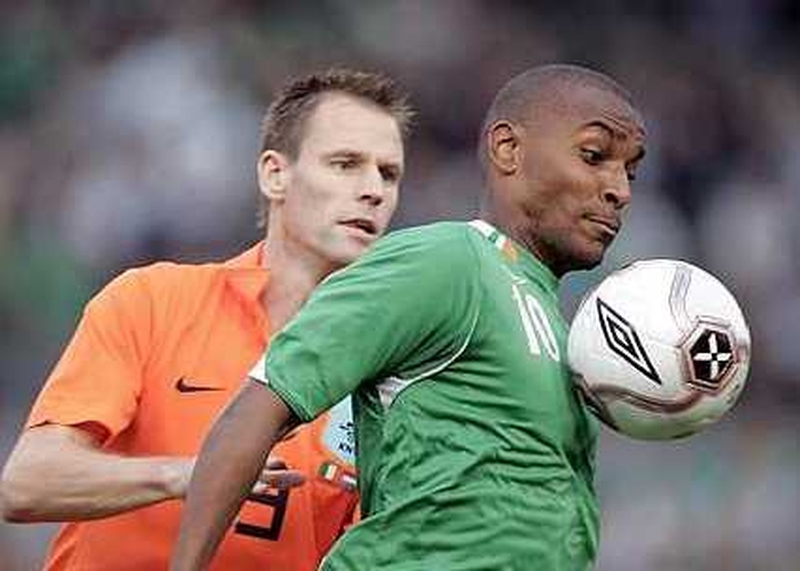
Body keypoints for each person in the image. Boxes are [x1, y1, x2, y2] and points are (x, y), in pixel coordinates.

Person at [170, 63, 647, 570]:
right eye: (594, 157)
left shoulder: (554, 324)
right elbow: (259, 406)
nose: (620, 190)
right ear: (509, 149)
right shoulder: (447, 260)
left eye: (631, 171)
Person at [0, 68, 412, 570]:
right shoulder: (155, 300)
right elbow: (27, 483)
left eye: (388, 174)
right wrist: (192, 476)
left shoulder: (394, 376)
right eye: (345, 164)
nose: (373, 189)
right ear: (274, 174)